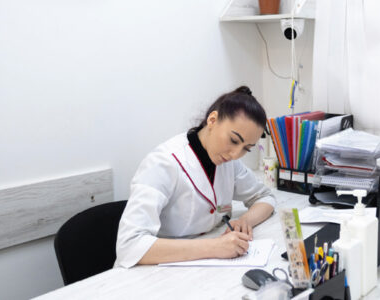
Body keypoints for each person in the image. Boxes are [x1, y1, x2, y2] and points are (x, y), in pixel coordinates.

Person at [115, 86, 276, 268]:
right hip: (149, 271)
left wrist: (245, 221)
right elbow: (129, 245)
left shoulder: (228, 163)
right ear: (212, 120)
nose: (235, 154)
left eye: (246, 148)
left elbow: (265, 197)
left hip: (197, 267)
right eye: (233, 140)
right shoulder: (163, 162)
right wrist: (214, 247)